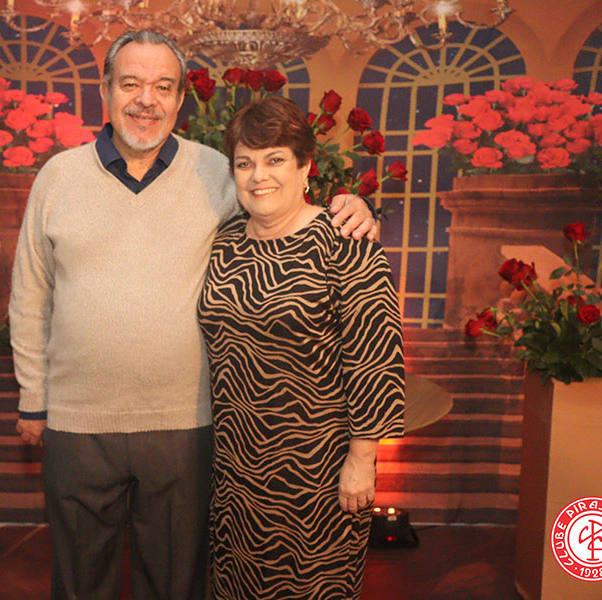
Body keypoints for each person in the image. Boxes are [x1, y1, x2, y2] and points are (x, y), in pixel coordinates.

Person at [9, 30, 377, 600]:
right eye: (130, 84)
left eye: (163, 86)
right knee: (79, 582)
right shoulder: (58, 177)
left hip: (186, 424)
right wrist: (34, 398)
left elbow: (279, 200)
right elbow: (31, 293)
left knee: (175, 582)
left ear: (181, 99)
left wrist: (351, 205)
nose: (146, 100)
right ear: (105, 90)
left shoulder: (215, 173)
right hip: (78, 423)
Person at [198, 95, 405, 600]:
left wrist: (362, 460)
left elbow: (376, 360)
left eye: (274, 160)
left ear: (305, 166)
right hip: (236, 469)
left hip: (317, 471)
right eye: (244, 163)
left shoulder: (346, 241)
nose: (258, 176)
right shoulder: (224, 241)